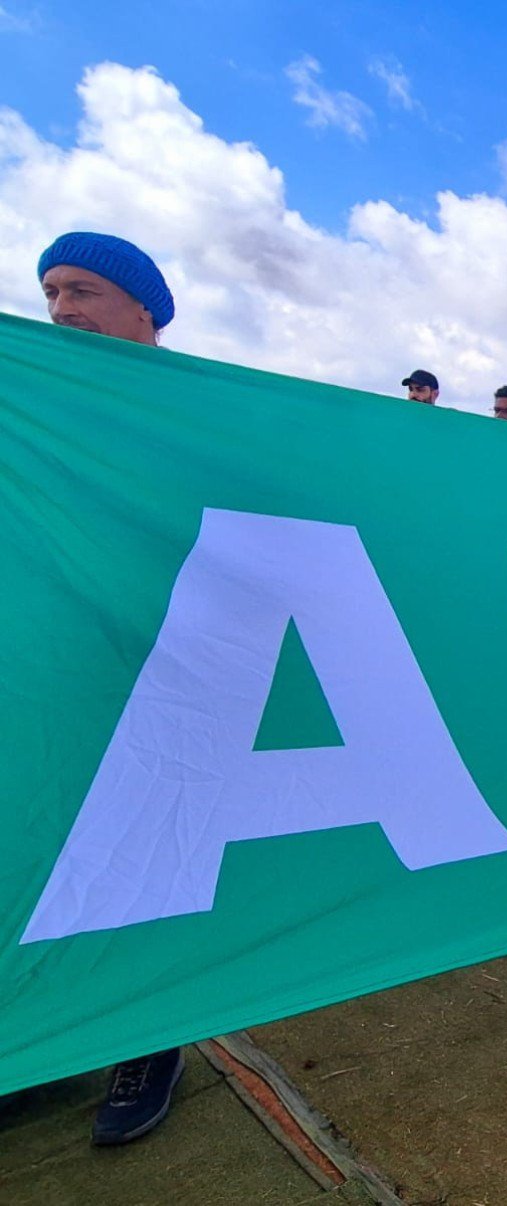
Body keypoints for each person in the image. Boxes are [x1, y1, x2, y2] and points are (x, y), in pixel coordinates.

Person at [38, 231, 185, 1146]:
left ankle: (150, 1033)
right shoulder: (38, 402)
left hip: (175, 666)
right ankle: (44, 1035)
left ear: (146, 310)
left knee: (157, 847)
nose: (61, 309)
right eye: (51, 290)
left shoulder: (204, 411)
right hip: (65, 662)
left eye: (83, 289)